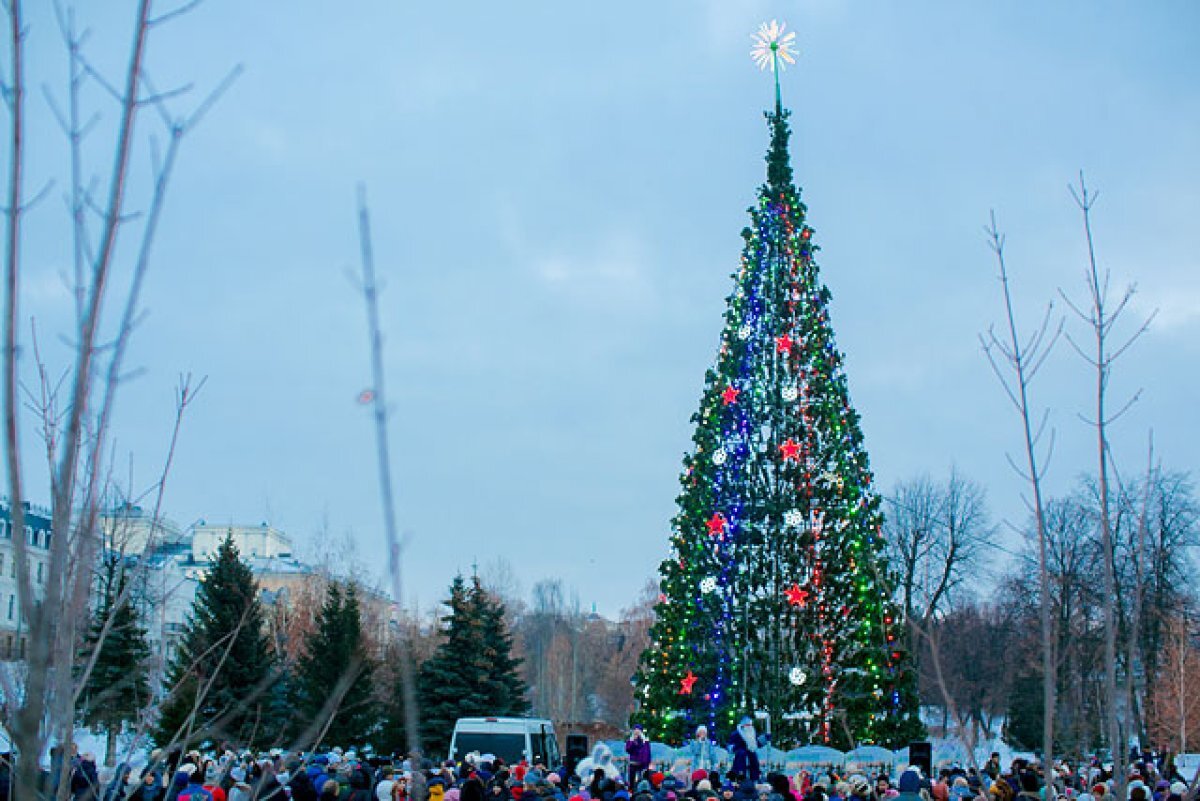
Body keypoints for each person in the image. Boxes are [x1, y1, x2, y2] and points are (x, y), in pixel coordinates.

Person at [728, 719, 761, 783]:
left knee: (754, 756)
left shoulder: (753, 733)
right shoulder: (736, 733)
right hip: (740, 753)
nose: (749, 726)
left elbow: (758, 743)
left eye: (750, 725)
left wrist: (764, 739)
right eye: (747, 725)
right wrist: (735, 747)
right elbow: (731, 745)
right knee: (741, 755)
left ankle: (754, 777)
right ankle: (740, 776)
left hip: (751, 751)